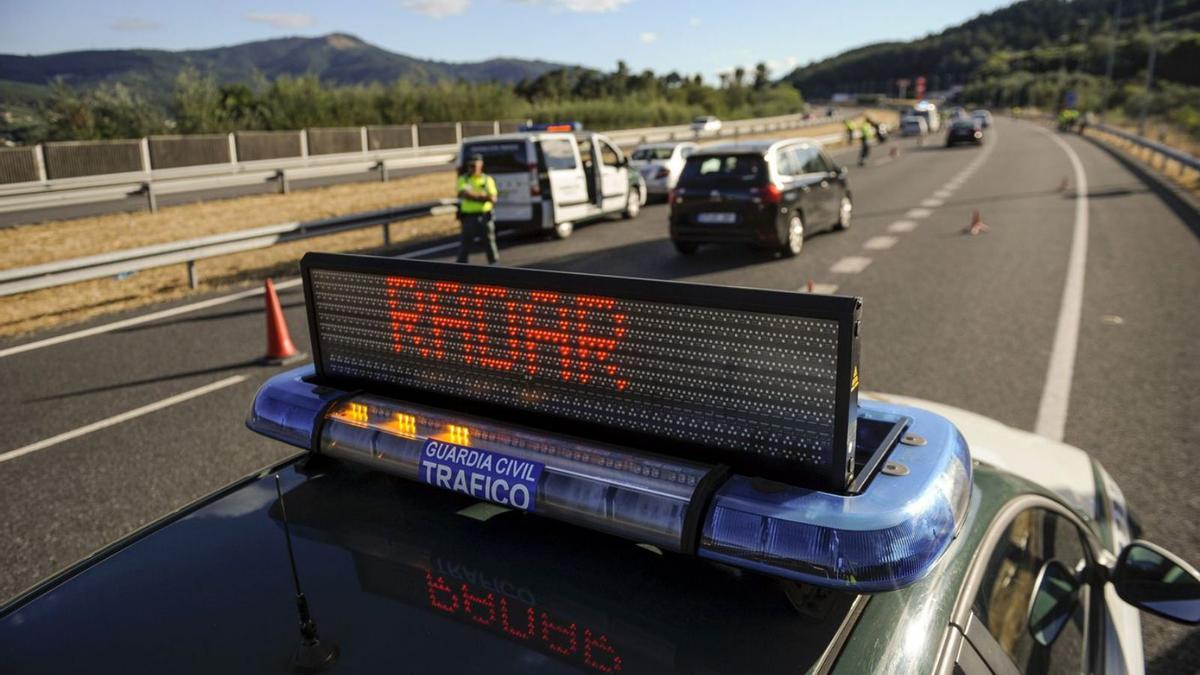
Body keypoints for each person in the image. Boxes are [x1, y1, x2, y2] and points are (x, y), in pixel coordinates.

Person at [456, 153, 499, 265]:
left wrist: (474, 196)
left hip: (485, 216)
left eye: (475, 165)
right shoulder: (464, 179)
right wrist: (483, 196)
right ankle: (460, 269)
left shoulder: (487, 179)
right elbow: (464, 194)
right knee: (465, 245)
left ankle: (495, 267)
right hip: (468, 217)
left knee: (490, 243)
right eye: (471, 166)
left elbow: (493, 198)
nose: (473, 168)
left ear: (481, 165)